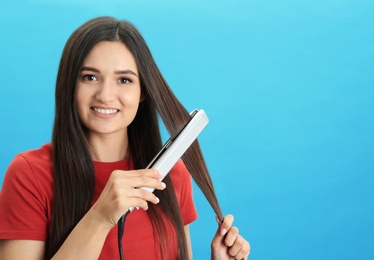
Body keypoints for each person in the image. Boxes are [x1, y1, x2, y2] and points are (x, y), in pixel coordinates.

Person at [0, 16, 250, 259]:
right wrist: (99, 218)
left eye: (124, 80)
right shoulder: (29, 174)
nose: (106, 95)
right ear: (70, 85)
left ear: (143, 91)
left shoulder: (171, 176)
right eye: (90, 77)